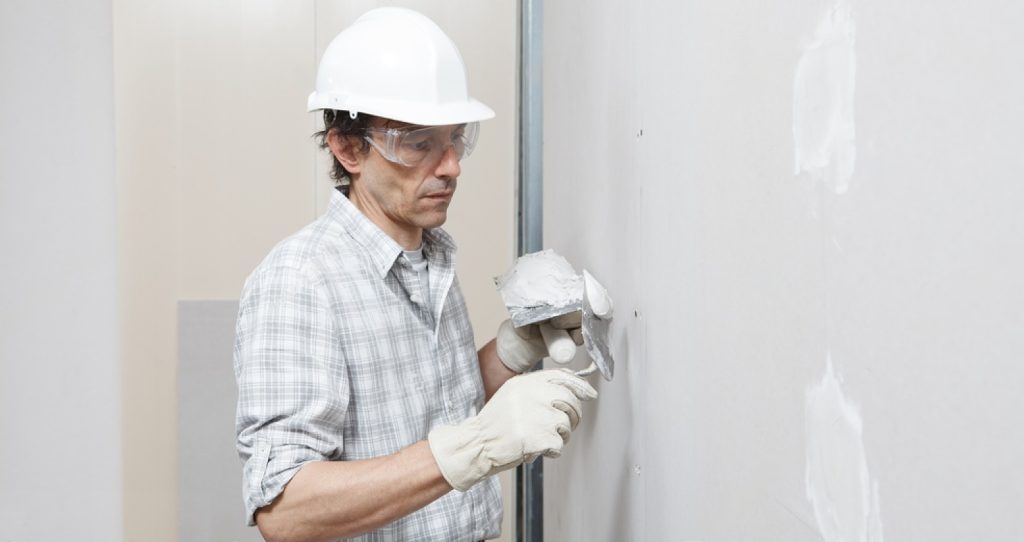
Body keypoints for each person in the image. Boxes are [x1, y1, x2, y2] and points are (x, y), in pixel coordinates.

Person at [233, 7, 611, 542]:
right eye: (418, 143)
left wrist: (510, 353)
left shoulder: (428, 256)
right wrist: (478, 445)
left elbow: (422, 417)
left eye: (456, 138)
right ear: (347, 147)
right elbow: (287, 508)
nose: (451, 165)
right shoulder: (300, 281)